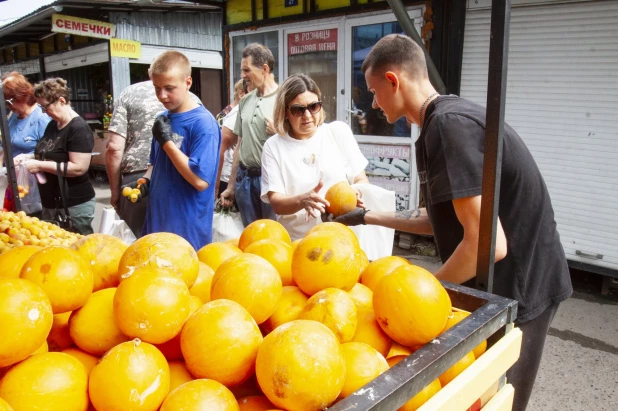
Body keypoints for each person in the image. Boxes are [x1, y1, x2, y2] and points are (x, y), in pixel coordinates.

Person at [334, 34, 572, 411]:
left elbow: (487, 245)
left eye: (374, 92)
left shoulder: (449, 126)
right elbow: (439, 219)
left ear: (394, 81)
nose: (374, 103)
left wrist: (423, 294)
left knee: (501, 399)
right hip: (502, 281)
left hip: (522, 283)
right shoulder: (439, 123)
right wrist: (367, 217)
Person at [261, 74, 369, 240]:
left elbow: (361, 180)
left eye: (313, 106)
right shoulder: (274, 146)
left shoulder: (338, 132)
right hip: (297, 243)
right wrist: (302, 200)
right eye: (298, 109)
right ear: (285, 112)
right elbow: (276, 202)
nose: (307, 115)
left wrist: (354, 193)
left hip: (341, 239)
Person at [131, 51, 220, 250]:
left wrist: (167, 143)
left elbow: (200, 181)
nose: (162, 95)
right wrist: (146, 180)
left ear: (188, 82)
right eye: (157, 88)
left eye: (169, 88)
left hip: (187, 231)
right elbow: (155, 163)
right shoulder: (163, 118)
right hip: (156, 223)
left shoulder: (204, 124)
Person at [26, 78, 96, 234]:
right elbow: (49, 153)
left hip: (74, 205)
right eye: (41, 107)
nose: (44, 112)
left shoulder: (78, 128)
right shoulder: (53, 125)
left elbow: (78, 168)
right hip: (51, 202)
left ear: (62, 101)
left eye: (45, 107)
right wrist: (27, 157)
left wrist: (39, 165)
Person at [220, 43, 278, 226]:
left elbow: (303, 141)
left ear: (265, 69)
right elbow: (239, 146)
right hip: (244, 181)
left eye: (246, 70)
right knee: (249, 236)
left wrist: (280, 133)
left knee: (273, 237)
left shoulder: (285, 98)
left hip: (272, 181)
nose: (242, 75)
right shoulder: (244, 102)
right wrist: (230, 186)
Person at [1, 72, 50, 163]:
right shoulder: (13, 116)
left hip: (33, 173)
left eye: (8, 102)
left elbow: (50, 153)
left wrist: (27, 157)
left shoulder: (42, 118)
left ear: (20, 96)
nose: (8, 106)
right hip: (13, 172)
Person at [216, 79, 247, 198]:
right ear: (241, 93)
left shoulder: (226, 112)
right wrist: (216, 184)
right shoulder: (236, 114)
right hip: (228, 176)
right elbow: (220, 148)